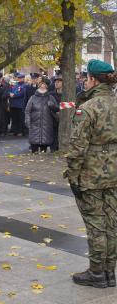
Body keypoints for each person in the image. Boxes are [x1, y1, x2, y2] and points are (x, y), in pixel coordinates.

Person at [64, 59, 117, 288]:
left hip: (91, 175)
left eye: (86, 78)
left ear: (93, 79)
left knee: (96, 225)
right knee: (112, 224)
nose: (85, 81)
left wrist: (73, 176)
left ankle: (97, 273)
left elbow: (77, 148)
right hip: (114, 173)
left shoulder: (88, 108)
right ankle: (109, 272)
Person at [25, 77, 58, 153]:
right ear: (38, 85)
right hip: (34, 126)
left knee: (44, 151)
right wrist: (27, 121)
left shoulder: (50, 97)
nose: (42, 86)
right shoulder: (33, 98)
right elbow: (27, 111)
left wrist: (52, 106)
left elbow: (56, 109)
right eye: (41, 84)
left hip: (47, 126)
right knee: (34, 149)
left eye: (44, 84)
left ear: (47, 86)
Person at [49, 75, 63, 152]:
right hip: (53, 118)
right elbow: (50, 105)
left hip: (64, 118)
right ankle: (53, 149)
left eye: (58, 82)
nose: (56, 83)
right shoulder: (51, 94)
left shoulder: (67, 95)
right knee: (53, 134)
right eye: (55, 82)